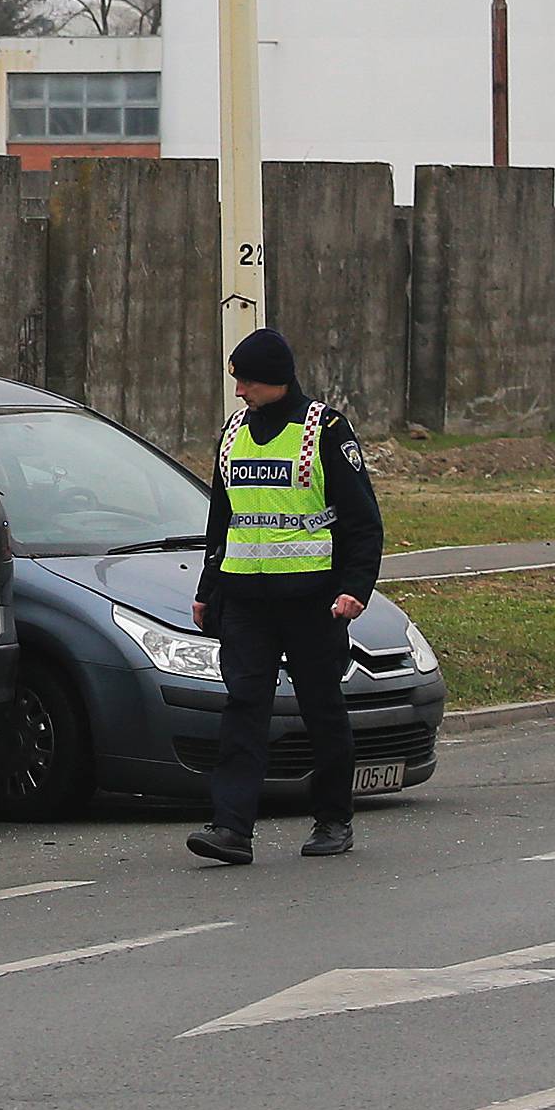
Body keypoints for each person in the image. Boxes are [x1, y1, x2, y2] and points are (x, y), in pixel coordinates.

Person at [186, 326, 385, 867]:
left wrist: (354, 590)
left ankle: (332, 818)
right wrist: (208, 589)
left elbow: (363, 522)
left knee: (321, 708)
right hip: (246, 600)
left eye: (247, 382)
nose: (240, 392)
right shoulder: (233, 433)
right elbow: (222, 519)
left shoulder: (325, 430)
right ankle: (230, 829)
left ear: (275, 381)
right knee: (244, 707)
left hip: (312, 599)